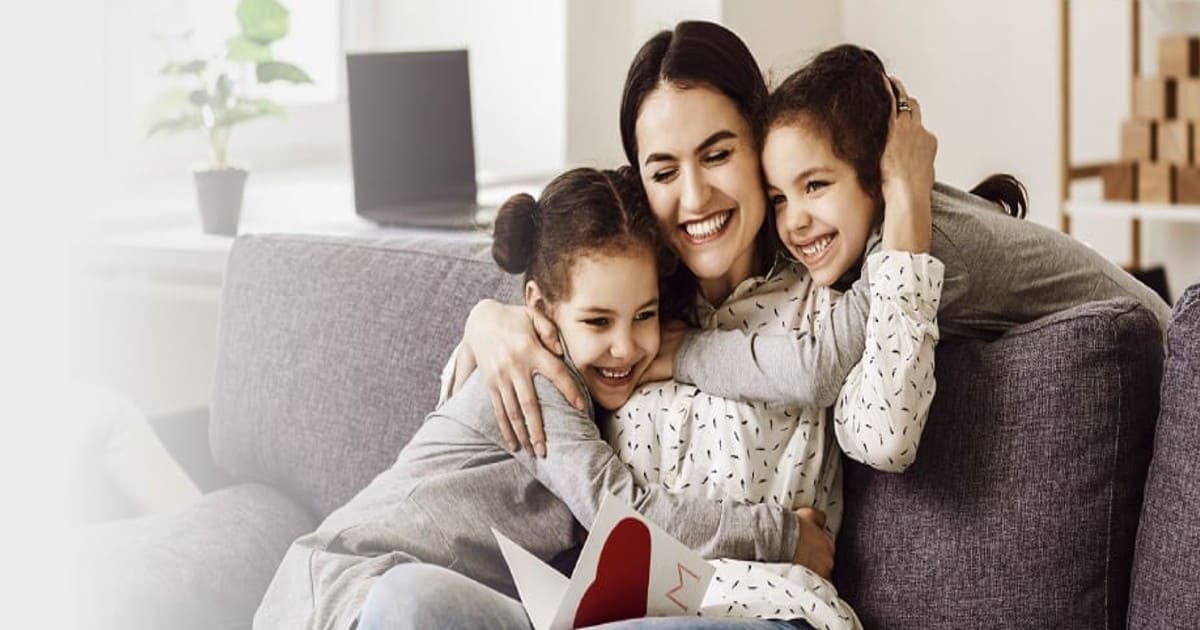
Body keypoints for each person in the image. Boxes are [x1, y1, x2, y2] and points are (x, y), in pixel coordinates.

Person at [461, 21, 943, 629]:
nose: (694, 198)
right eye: (663, 172)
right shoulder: (626, 318)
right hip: (617, 615)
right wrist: (490, 320)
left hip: (770, 613)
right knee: (417, 604)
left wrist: (906, 196)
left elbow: (886, 435)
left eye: (718, 155)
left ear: (759, 143)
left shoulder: (824, 294)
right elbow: (547, 299)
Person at [252, 167, 819, 630]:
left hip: (429, 603)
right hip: (351, 587)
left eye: (644, 316)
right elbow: (624, 515)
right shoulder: (543, 380)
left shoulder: (566, 366)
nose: (627, 346)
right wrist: (784, 534)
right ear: (541, 309)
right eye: (598, 321)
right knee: (421, 600)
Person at [674, 43, 1173, 408]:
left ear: (879, 175)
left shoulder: (916, 245)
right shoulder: (881, 225)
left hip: (1171, 375)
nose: (794, 220)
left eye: (816, 185)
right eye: (779, 197)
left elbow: (818, 370)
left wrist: (684, 353)